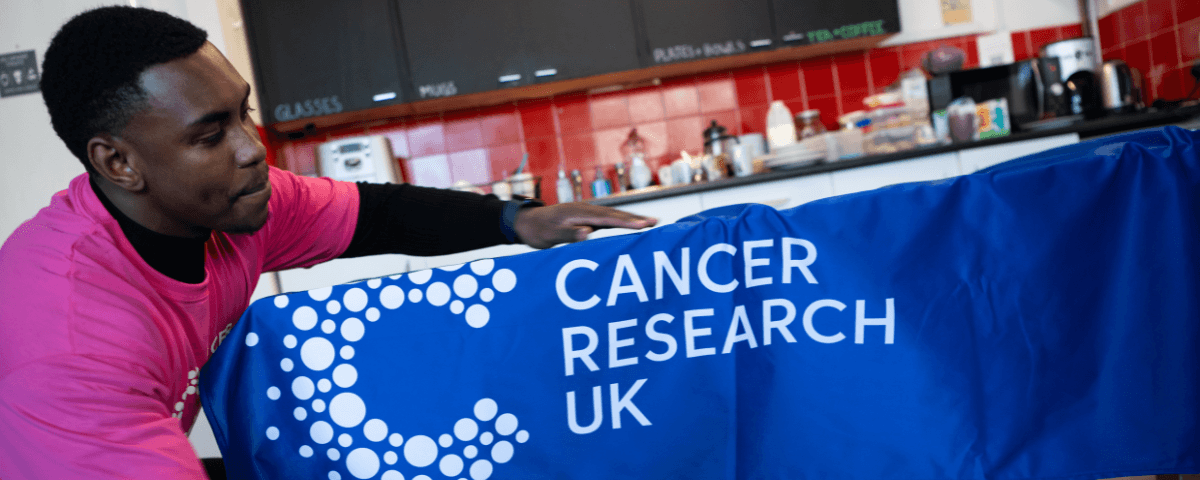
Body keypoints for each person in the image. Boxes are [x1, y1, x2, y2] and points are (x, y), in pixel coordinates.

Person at [0, 6, 655, 479]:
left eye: (242, 114)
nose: (253, 150)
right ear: (118, 163)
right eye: (209, 135)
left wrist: (518, 222)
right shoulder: (70, 339)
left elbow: (377, 214)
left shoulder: (223, 212)